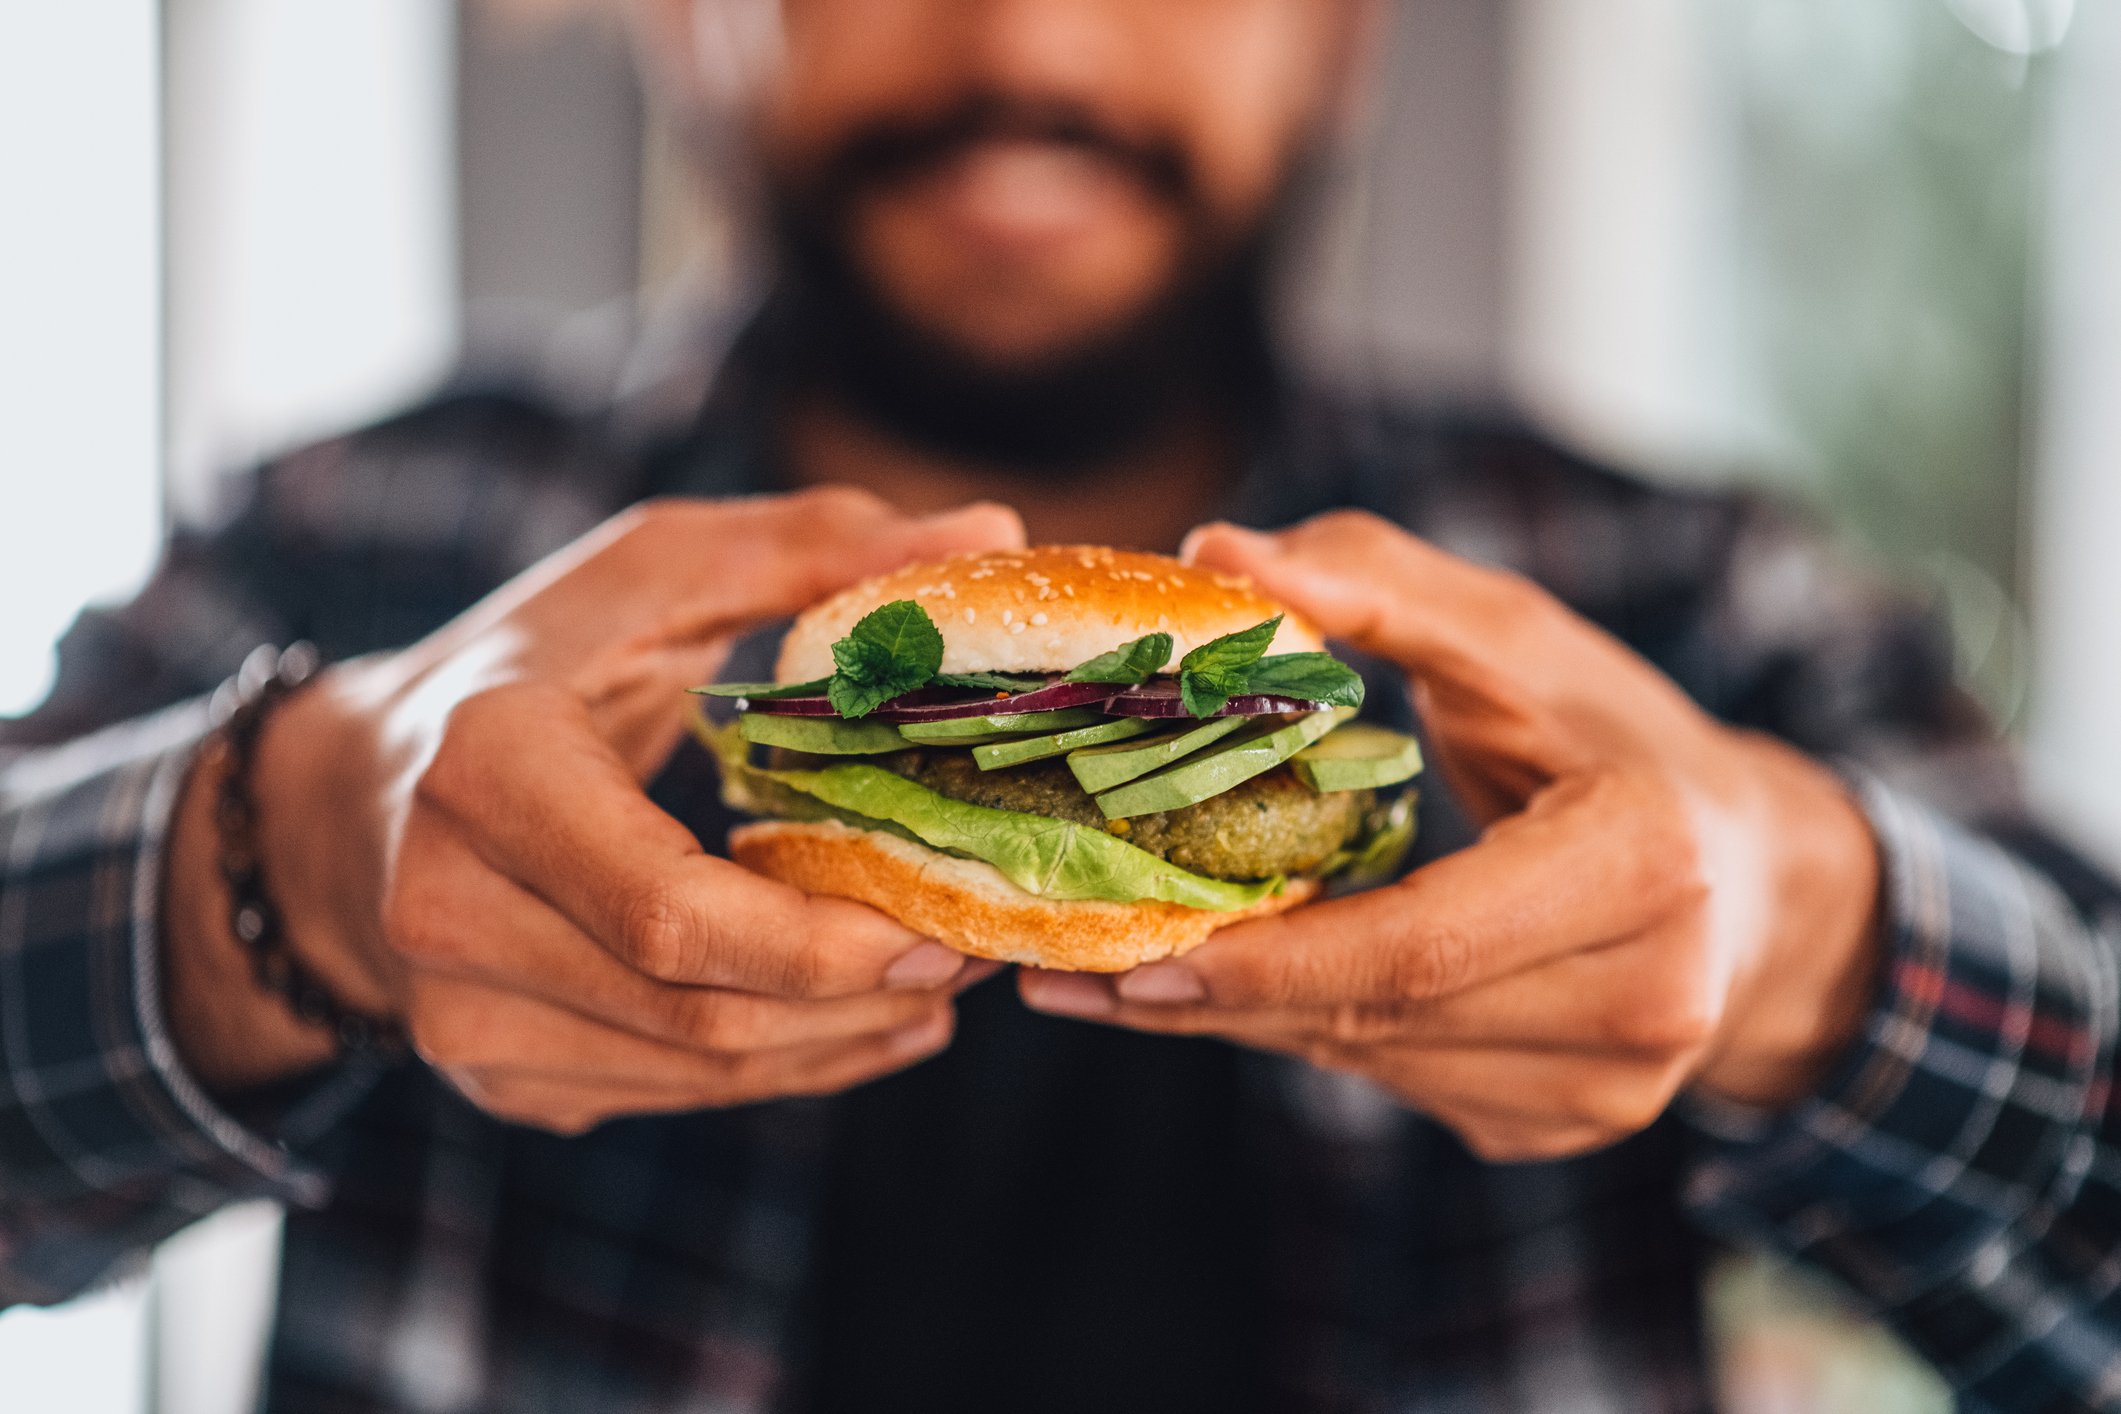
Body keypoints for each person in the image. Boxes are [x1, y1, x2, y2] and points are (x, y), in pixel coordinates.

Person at [2, 2, 2115, 1410]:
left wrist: (1812, 934)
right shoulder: (354, 541)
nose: (1023, 35)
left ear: (1342, 33)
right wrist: (272, 860)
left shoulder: (1688, 600)